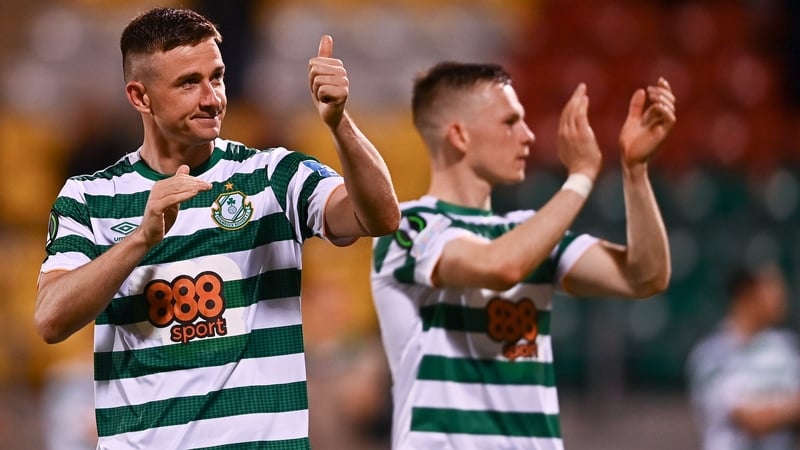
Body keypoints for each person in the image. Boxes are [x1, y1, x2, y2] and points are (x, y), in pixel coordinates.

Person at [34, 7, 400, 449]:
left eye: (218, 77)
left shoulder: (272, 176)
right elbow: (50, 319)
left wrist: (340, 123)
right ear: (140, 96)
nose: (212, 97)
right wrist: (142, 240)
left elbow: (380, 216)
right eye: (189, 82)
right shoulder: (90, 198)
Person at [370, 62, 676, 449]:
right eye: (510, 122)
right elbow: (501, 267)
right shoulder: (407, 227)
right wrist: (580, 176)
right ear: (460, 136)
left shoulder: (528, 231)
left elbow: (644, 277)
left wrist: (635, 171)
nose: (528, 136)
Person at [686, 263, 800, 450]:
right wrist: (791, 408)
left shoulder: (787, 349)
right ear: (747, 294)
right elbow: (751, 420)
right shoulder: (710, 355)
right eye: (771, 289)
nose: (781, 298)